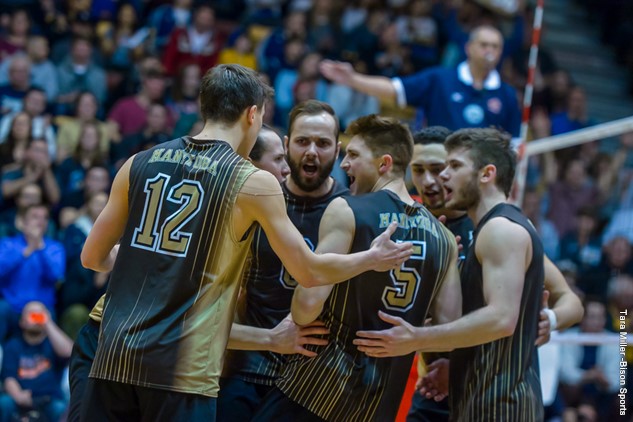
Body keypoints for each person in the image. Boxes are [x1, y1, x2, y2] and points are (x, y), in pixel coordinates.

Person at [78, 64, 412, 421]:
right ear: (252, 114)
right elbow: (310, 272)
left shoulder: (138, 162)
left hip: (112, 354)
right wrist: (371, 257)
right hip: (180, 369)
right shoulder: (251, 180)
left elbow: (93, 258)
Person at [252, 114, 461, 422]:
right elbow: (450, 330)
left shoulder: (347, 209)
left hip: (317, 390)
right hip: (379, 404)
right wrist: (414, 334)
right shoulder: (444, 238)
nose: (345, 164)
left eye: (353, 155)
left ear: (384, 163)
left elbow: (305, 308)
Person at [353, 128, 544, 420]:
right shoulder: (494, 228)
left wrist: (417, 337)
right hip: (480, 397)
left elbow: (501, 319)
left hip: (501, 404)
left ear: (486, 174)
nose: (443, 176)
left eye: (454, 167)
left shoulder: (500, 229)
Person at [406, 128, 584, 421]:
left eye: (444, 168)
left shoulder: (501, 228)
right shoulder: (416, 227)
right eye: (418, 170)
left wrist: (547, 321)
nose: (432, 180)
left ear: (483, 173)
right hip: (450, 384)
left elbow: (566, 303)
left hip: (495, 393)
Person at [219, 100, 347, 421]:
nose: (312, 152)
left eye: (323, 143)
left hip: (313, 379)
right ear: (288, 144)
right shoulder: (252, 199)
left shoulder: (353, 210)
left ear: (338, 149)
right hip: (248, 365)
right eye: (303, 141)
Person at [319, 25, 520, 137]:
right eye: (484, 45)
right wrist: (353, 79)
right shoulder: (440, 78)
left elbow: (513, 144)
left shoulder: (507, 94)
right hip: (440, 171)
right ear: (469, 47)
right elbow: (394, 89)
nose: (490, 52)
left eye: (495, 47)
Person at [0, 301, 73, 422]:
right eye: (32, 315)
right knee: (4, 403)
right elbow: (9, 377)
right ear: (22, 321)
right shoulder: (13, 346)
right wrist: (18, 396)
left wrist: (48, 323)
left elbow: (70, 353)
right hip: (20, 398)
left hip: (49, 400)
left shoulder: (53, 344)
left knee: (61, 409)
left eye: (40, 315)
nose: (36, 318)